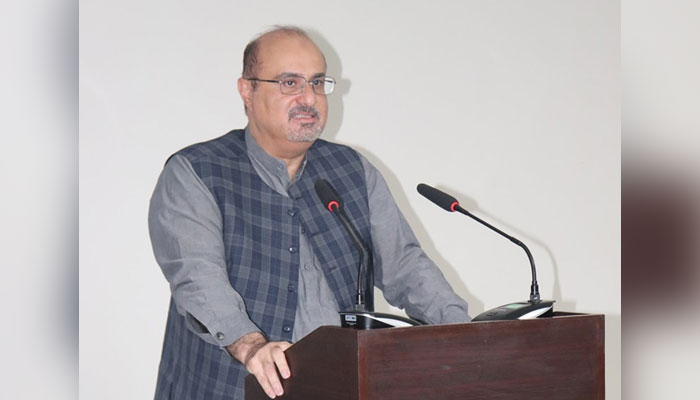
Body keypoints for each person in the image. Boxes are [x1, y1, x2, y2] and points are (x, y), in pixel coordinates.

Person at [148, 26, 470, 400]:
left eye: (317, 83)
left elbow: (405, 266)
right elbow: (198, 278)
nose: (308, 98)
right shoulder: (197, 172)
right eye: (289, 83)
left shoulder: (351, 170)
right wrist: (252, 346)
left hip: (339, 386)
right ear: (247, 90)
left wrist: (464, 335)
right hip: (227, 389)